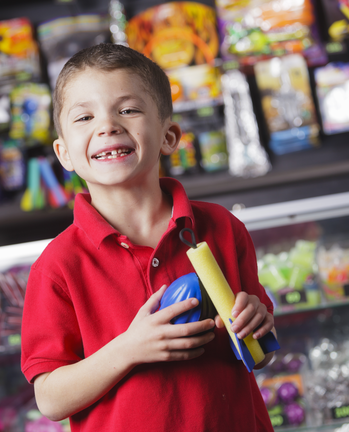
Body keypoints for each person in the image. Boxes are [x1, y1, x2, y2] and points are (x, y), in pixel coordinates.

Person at [20, 43, 277, 432]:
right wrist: (130, 349)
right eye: (85, 117)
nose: (107, 125)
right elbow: (51, 399)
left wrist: (258, 325)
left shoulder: (222, 228)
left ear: (169, 136)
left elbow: (259, 356)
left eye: (128, 110)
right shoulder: (58, 265)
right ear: (64, 154)